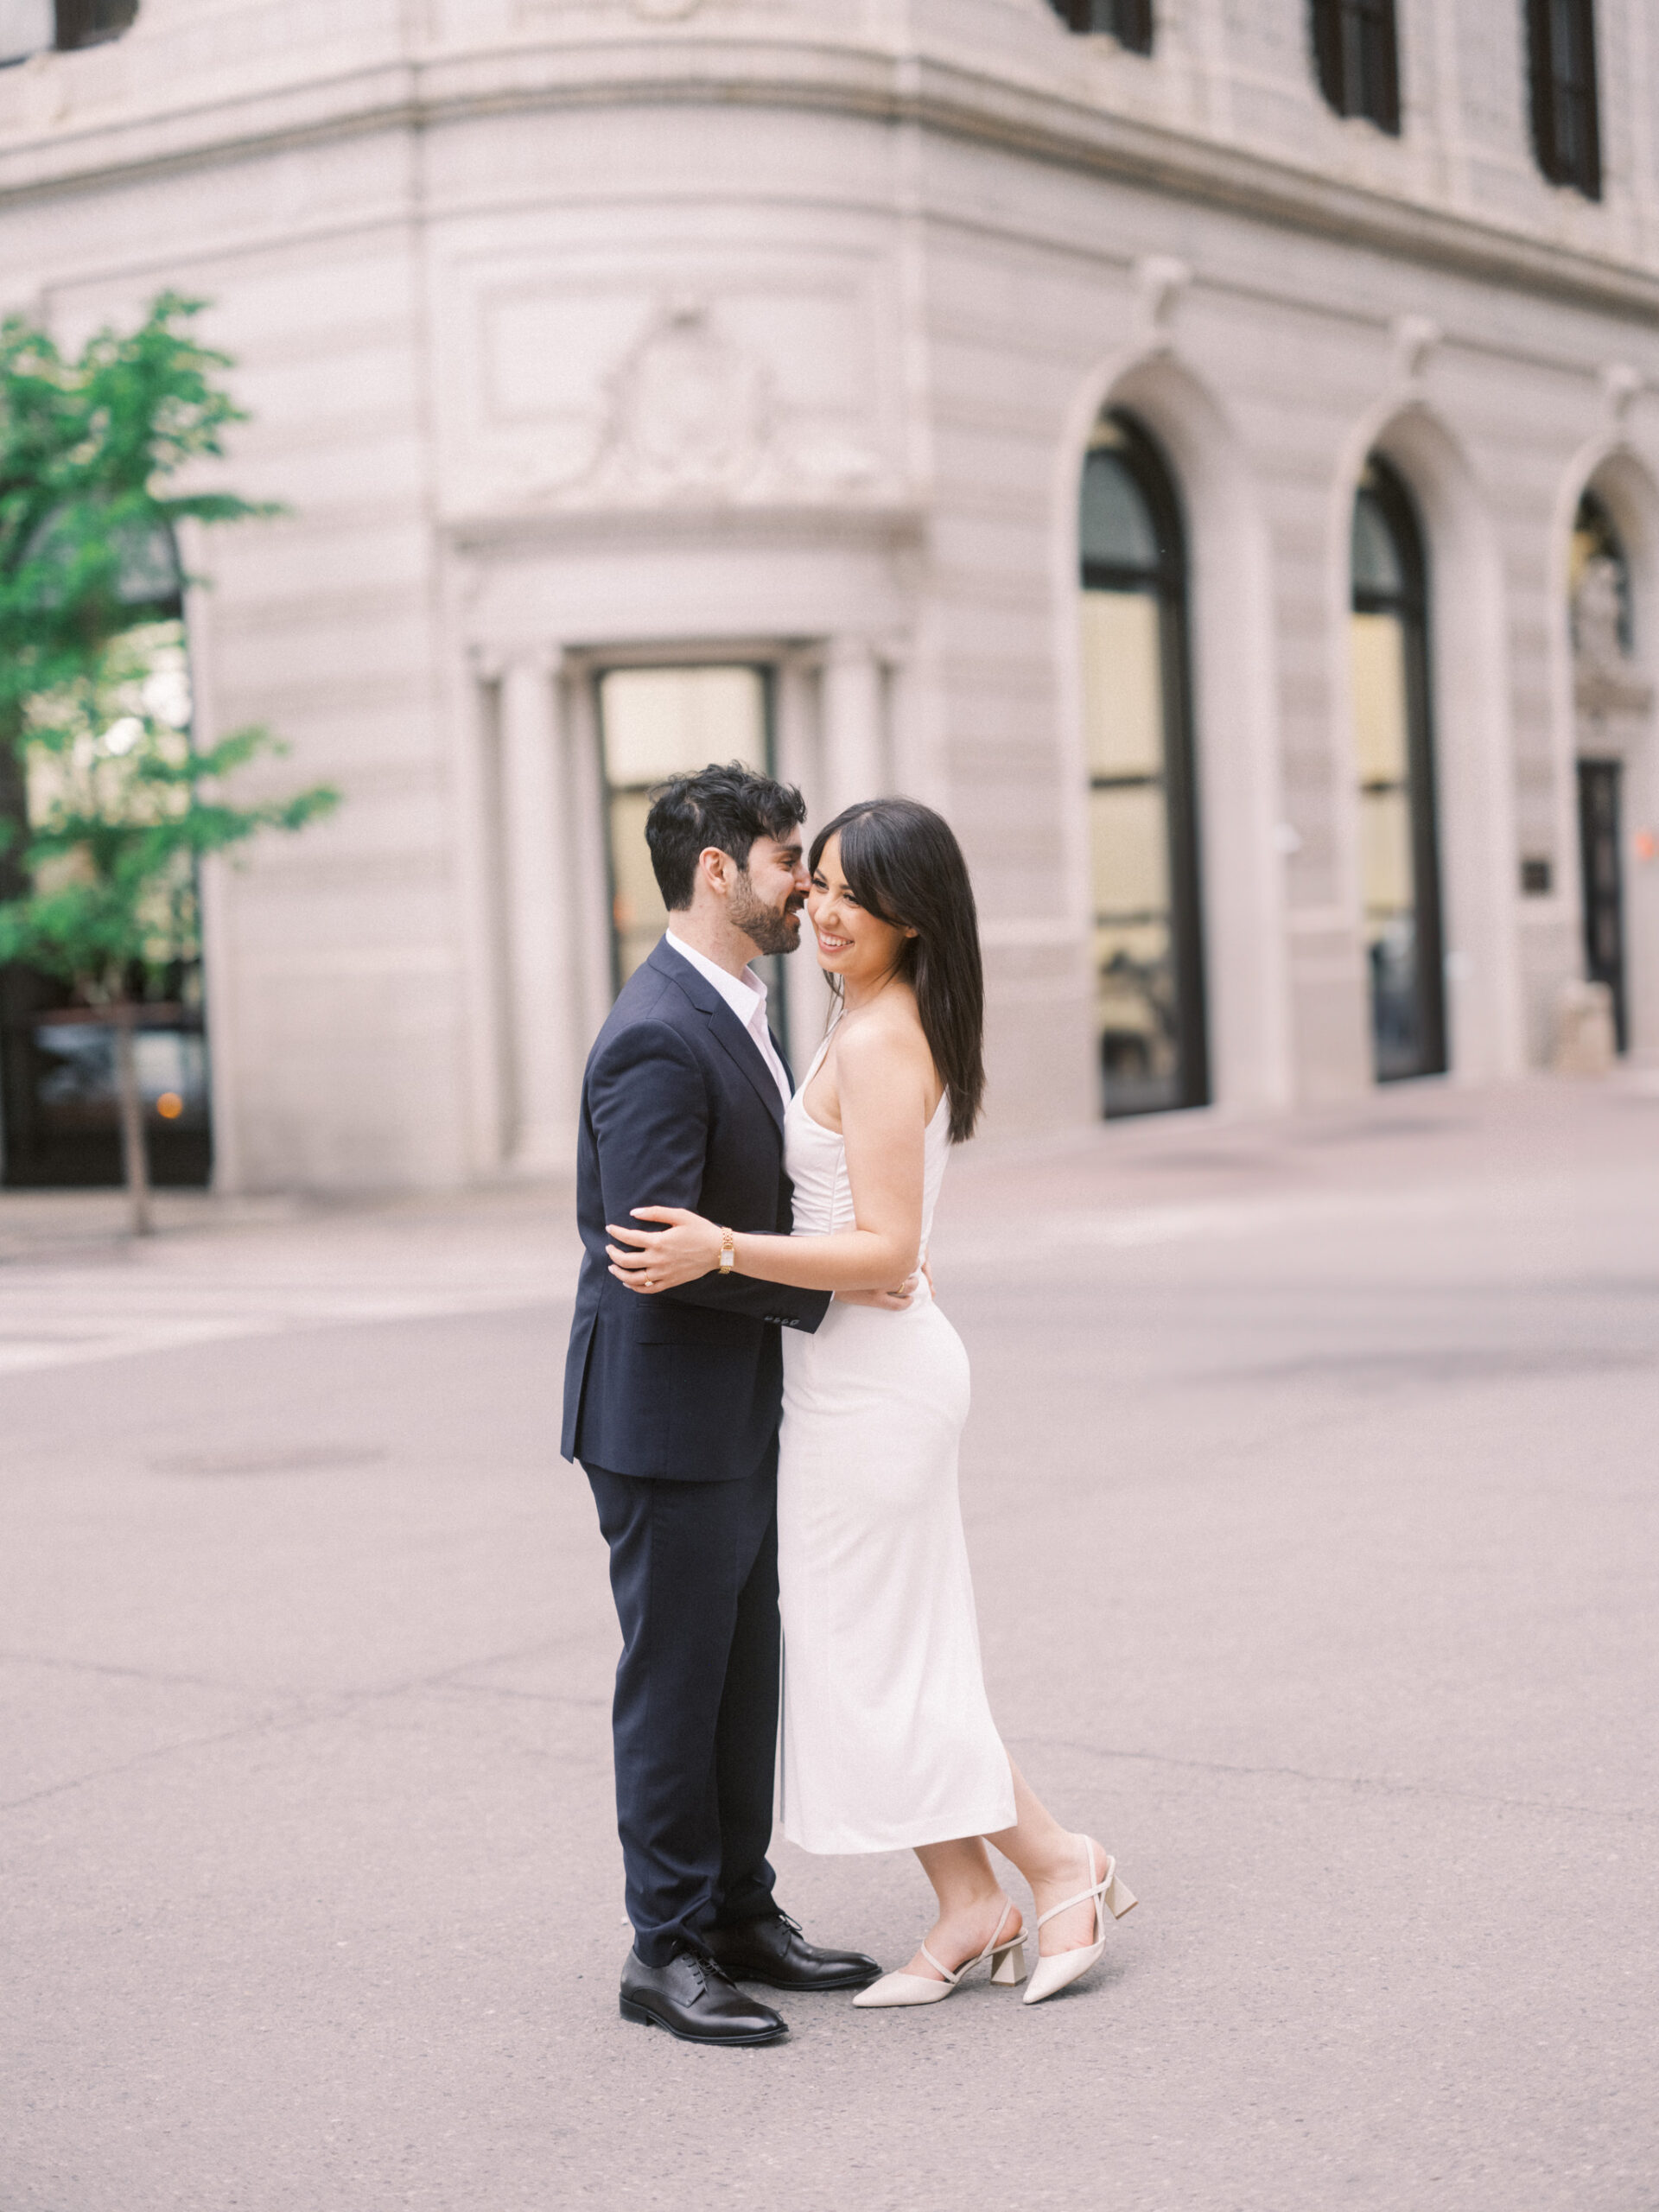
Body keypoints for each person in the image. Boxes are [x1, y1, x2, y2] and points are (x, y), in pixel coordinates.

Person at [607, 797, 1138, 2011]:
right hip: (839, 1373)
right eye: (820, 882)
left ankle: (1059, 1861)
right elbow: (872, 1229)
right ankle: (967, 1900)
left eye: (853, 893)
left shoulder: (886, 1035)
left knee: (889, 1658)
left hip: (875, 1386)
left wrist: (725, 1250)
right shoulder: (861, 1017)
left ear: (914, 918)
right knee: (870, 1654)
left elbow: (886, 1246)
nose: (824, 908)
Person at [563, 761, 898, 2048]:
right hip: (662, 1418)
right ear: (718, 870)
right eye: (785, 859)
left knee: (741, 1676)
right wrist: (825, 1296)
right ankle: (666, 1948)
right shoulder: (657, 1026)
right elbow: (654, 1256)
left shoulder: (738, 1005)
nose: (804, 882)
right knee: (676, 1681)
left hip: (731, 1410)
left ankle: (741, 1913)